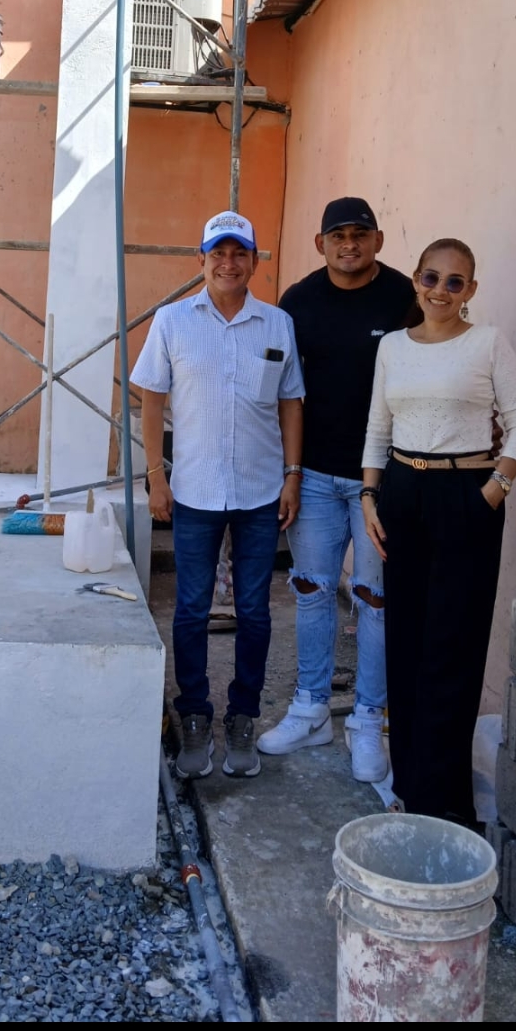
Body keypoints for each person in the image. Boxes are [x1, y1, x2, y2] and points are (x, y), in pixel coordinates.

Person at [360, 238, 516, 828]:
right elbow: (377, 427)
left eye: (454, 281)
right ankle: (410, 787)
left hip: (467, 494)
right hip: (401, 492)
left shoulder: (488, 344)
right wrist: (369, 496)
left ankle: (449, 802)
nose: (440, 290)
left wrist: (493, 491)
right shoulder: (392, 347)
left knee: (453, 646)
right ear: (415, 279)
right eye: (431, 277)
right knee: (407, 641)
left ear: (470, 291)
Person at [134, 210, 304, 782]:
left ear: (254, 261)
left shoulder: (276, 324)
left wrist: (292, 475)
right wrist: (156, 476)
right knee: (190, 608)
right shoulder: (173, 321)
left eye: (239, 253)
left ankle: (243, 716)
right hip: (195, 490)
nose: (228, 263)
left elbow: (291, 403)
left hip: (260, 490)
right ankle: (195, 715)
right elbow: (151, 399)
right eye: (218, 253)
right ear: (201, 260)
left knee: (254, 610)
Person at [259, 197, 413, 782]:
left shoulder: (403, 298)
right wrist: (289, 471)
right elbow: (283, 391)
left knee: (375, 601)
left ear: (378, 240)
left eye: (360, 234)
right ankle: (311, 710)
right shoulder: (298, 302)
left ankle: (368, 720)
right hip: (316, 477)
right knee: (312, 591)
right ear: (320, 243)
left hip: (381, 479)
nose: (350, 244)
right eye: (338, 235)